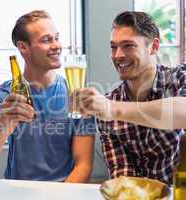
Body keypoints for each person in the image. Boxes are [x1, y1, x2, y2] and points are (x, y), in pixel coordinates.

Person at [0, 10, 96, 183]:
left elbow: (83, 166)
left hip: (63, 192)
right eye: (47, 40)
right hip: (17, 192)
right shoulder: (6, 97)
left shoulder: (76, 96)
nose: (56, 45)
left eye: (57, 37)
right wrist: (4, 125)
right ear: (23, 47)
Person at [72, 11, 186, 185]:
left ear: (154, 46)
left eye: (128, 46)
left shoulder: (179, 78)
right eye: (113, 47)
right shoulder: (107, 106)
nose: (117, 55)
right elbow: (121, 174)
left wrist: (111, 109)